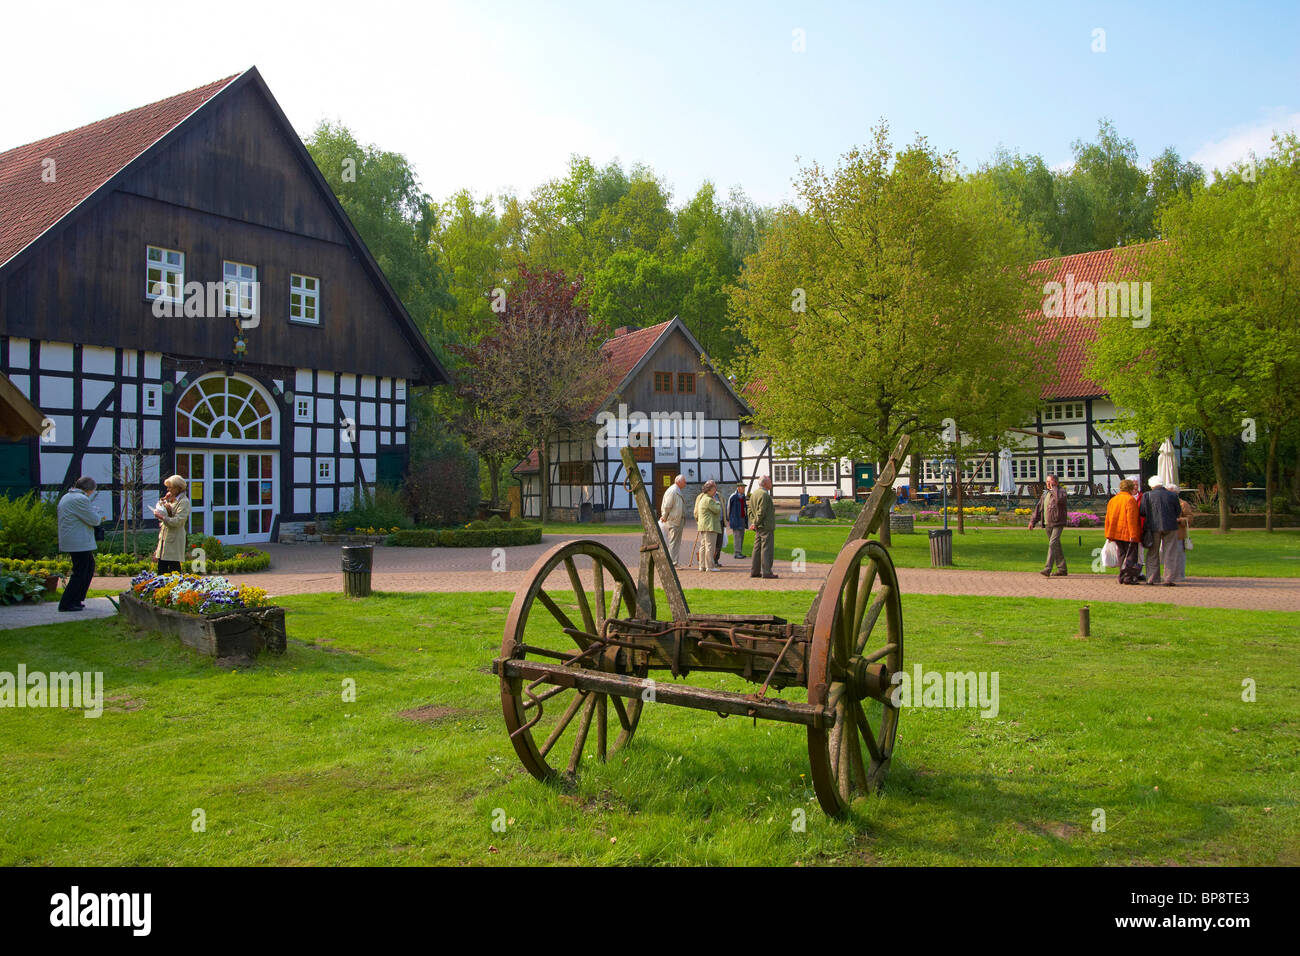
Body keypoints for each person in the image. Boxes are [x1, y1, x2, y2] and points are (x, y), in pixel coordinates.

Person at [56, 477, 104, 612]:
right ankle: (67, 602)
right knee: (81, 571)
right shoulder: (80, 499)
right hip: (78, 541)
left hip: (75, 540)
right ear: (89, 489)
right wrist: (98, 514)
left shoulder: (68, 497)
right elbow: (94, 520)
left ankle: (76, 599)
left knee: (88, 567)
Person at [1138, 476, 1181, 586]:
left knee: (1152, 553)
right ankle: (1169, 579)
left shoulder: (1147, 495)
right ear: (1162, 484)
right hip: (1171, 526)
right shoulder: (1172, 495)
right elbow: (1178, 511)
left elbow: (1142, 511)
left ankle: (1151, 578)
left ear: (1151, 485)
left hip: (1153, 527)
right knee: (1170, 552)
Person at [1028, 474, 1069, 577]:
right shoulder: (1045, 494)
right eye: (1047, 482)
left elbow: (1059, 500)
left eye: (1050, 482)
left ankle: (1047, 569)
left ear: (1055, 482)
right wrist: (1032, 521)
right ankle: (1062, 569)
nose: (1047, 484)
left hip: (1058, 522)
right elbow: (1039, 508)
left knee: (1052, 543)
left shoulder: (1061, 492)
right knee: (1056, 546)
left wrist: (1054, 488)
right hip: (1048, 523)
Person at [1104, 479, 1143, 584]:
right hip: (1127, 533)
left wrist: (1108, 532)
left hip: (1116, 532)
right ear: (1130, 488)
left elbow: (1108, 518)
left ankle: (1122, 576)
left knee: (1121, 554)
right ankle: (1128, 577)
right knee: (1131, 556)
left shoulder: (1113, 500)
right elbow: (1132, 519)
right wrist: (1134, 535)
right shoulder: (1130, 500)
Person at [152, 474, 192, 573]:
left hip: (174, 539)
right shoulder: (171, 500)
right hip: (165, 538)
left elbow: (178, 521)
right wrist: (164, 500)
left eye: (170, 488)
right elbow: (162, 510)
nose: (168, 490)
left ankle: (175, 588)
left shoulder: (184, 502)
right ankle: (162, 588)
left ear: (178, 488)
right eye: (167, 487)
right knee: (161, 569)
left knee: (174, 569)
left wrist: (162, 517)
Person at [749, 475, 777, 579]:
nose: (771, 483)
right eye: (770, 481)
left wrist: (753, 522)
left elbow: (750, 510)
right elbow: (761, 512)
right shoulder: (764, 495)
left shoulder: (754, 494)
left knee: (757, 549)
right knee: (766, 549)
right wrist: (755, 523)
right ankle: (767, 572)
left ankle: (755, 571)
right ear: (765, 483)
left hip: (759, 526)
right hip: (765, 526)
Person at [1166, 483, 1196, 583]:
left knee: (1179, 554)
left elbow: (1190, 518)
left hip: (1179, 533)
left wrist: (1180, 520)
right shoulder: (1164, 503)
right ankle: (1169, 575)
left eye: (1172, 492)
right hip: (1166, 532)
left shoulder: (1183, 504)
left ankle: (1179, 575)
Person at [659, 474, 688, 568]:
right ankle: (672, 563)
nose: (686, 483)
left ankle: (673, 561)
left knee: (676, 542)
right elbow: (667, 505)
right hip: (674, 521)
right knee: (673, 542)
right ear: (679, 482)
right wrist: (664, 516)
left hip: (678, 520)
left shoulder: (677, 490)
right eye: (684, 481)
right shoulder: (673, 490)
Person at [693, 480, 722, 571]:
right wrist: (717, 502)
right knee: (710, 546)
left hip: (704, 526)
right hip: (710, 526)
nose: (715, 491)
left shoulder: (703, 498)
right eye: (713, 490)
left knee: (703, 546)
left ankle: (702, 566)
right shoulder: (709, 500)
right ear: (708, 490)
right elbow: (717, 510)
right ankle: (710, 566)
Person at [726, 483, 748, 558]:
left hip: (742, 519)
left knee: (741, 536)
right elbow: (728, 508)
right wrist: (728, 519)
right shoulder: (733, 497)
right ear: (738, 488)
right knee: (737, 536)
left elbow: (745, 508)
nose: (744, 489)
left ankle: (740, 552)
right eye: (742, 488)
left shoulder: (743, 497)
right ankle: (737, 553)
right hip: (735, 519)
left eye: (744, 488)